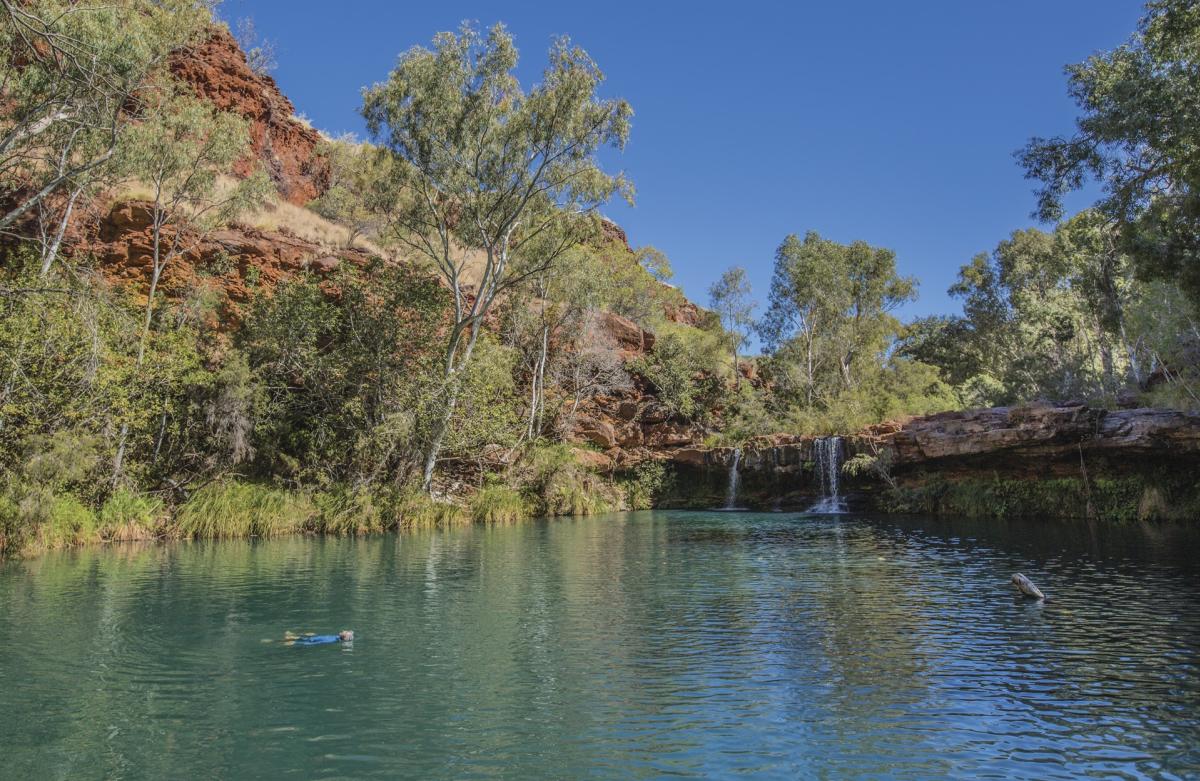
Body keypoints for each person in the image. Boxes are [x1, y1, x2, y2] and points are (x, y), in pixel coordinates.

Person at [283, 630, 354, 646]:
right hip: (315, 637)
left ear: (344, 636)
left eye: (345, 631)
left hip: (313, 640)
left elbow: (319, 642)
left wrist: (296, 643)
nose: (344, 630)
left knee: (306, 638)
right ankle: (292, 635)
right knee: (311, 634)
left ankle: (292, 641)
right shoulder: (336, 637)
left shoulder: (333, 640)